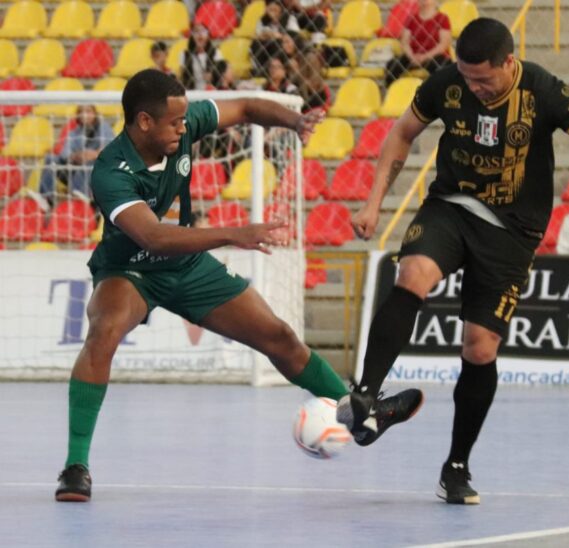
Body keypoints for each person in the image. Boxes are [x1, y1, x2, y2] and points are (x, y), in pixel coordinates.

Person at [53, 69, 423, 502]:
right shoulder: (111, 170)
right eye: (174, 122)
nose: (184, 127)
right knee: (103, 332)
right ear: (144, 122)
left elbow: (246, 107)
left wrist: (294, 121)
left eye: (185, 120)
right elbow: (152, 237)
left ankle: (361, 413)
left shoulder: (183, 124)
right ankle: (75, 466)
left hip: (186, 265)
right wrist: (234, 234)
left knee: (279, 336)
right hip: (129, 271)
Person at [338, 18, 569, 505]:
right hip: (452, 206)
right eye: (467, 78)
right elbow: (402, 133)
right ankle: (367, 395)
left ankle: (456, 466)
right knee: (413, 272)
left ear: (509, 62)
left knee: (480, 348)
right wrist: (374, 203)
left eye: (483, 79)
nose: (474, 88)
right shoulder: (449, 83)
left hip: (512, 231)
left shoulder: (543, 89)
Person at [39, 105, 114, 202]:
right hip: (73, 169)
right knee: (50, 159)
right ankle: (46, 198)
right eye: (81, 112)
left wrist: (93, 154)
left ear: (95, 114)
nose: (84, 115)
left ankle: (78, 198)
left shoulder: (104, 127)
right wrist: (76, 156)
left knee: (89, 163)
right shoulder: (74, 133)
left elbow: (111, 150)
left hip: (97, 172)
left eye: (88, 111)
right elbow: (64, 154)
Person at [385, 0, 452, 86]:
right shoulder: (411, 19)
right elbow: (404, 42)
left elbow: (444, 44)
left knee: (443, 66)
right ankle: (394, 92)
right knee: (392, 65)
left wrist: (425, 57)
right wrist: (411, 56)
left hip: (434, 55)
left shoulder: (442, 18)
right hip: (413, 55)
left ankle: (437, 93)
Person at [251, 0, 300, 76]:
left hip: (285, 49)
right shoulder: (262, 20)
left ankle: (285, 66)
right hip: (267, 50)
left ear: (280, 12)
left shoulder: (288, 19)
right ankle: (264, 70)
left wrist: (278, 36)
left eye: (275, 10)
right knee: (257, 43)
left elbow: (294, 36)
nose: (273, 13)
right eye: (271, 10)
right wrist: (275, 35)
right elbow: (260, 36)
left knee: (278, 42)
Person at [180, 22, 224, 90]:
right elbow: (182, 77)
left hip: (212, 90)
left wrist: (213, 76)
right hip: (192, 91)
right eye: (196, 31)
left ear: (208, 36)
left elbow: (222, 76)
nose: (200, 34)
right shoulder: (185, 55)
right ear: (192, 36)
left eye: (203, 31)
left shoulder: (216, 53)